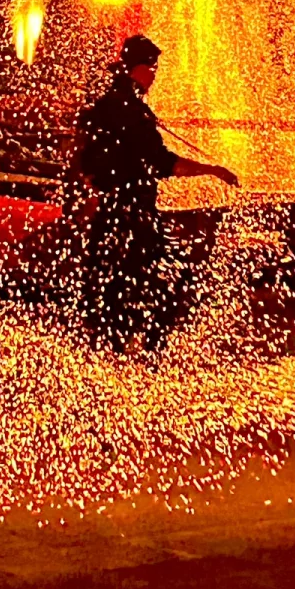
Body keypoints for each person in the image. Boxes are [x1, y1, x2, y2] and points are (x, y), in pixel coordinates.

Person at [77, 34, 238, 353]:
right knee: (165, 276)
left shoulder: (112, 103)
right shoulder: (129, 111)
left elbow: (88, 158)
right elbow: (163, 162)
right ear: (136, 69)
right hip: (132, 211)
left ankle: (113, 346)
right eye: (151, 67)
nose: (155, 74)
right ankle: (144, 349)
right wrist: (212, 170)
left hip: (113, 208)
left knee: (111, 280)